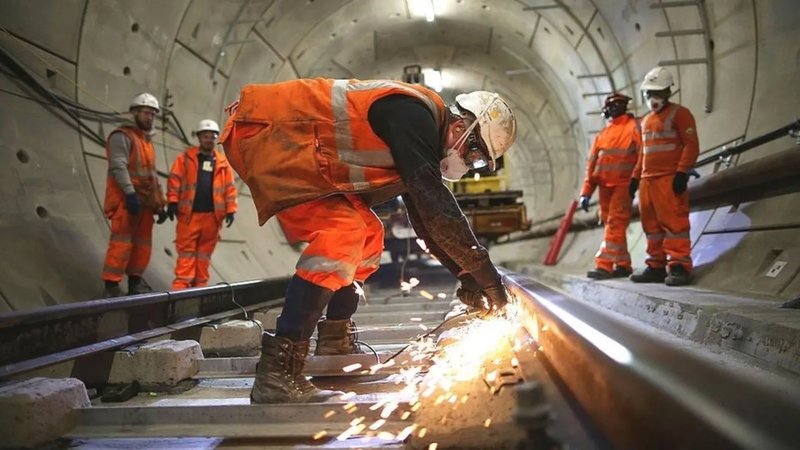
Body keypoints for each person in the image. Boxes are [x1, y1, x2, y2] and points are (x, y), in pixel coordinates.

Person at [220, 78, 517, 404]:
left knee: (368, 235)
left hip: (297, 150)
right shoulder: (413, 116)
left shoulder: (422, 132)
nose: (470, 164)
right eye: (474, 155)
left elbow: (426, 224)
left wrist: (468, 278)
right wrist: (488, 278)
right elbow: (437, 209)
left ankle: (334, 338)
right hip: (269, 135)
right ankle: (278, 372)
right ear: (461, 126)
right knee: (342, 232)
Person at [629, 67, 699, 286]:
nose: (653, 98)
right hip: (647, 182)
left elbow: (691, 145)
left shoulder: (680, 114)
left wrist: (682, 171)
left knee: (675, 223)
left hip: (668, 179)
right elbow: (643, 152)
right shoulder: (646, 121)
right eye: (649, 93)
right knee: (651, 227)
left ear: (668, 92)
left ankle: (679, 265)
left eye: (657, 93)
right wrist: (634, 177)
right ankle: (656, 265)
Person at [101, 93, 168, 297]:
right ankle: (111, 285)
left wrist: (160, 204)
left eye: (153, 114)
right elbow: (118, 166)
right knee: (121, 243)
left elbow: (152, 177)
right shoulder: (123, 137)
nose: (150, 117)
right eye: (147, 113)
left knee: (141, 246)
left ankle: (135, 282)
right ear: (135, 113)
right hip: (127, 202)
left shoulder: (146, 142)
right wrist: (130, 194)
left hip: (145, 205)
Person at [166, 119, 237, 290]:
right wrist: (172, 201)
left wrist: (231, 209)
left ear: (216, 139)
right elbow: (174, 180)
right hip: (189, 216)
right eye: (205, 136)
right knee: (186, 253)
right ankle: (180, 288)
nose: (209, 140)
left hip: (212, 219)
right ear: (199, 138)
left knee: (204, 256)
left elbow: (229, 188)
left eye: (212, 137)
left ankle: (200, 289)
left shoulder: (222, 164)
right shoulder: (186, 159)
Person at [578, 93, 641, 280]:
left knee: (615, 223)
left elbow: (642, 154)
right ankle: (623, 264)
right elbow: (592, 165)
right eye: (612, 105)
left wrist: (636, 179)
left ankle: (604, 265)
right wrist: (586, 192)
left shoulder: (633, 128)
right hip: (604, 187)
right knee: (611, 224)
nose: (615, 108)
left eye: (619, 104)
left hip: (623, 185)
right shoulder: (603, 135)